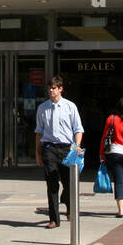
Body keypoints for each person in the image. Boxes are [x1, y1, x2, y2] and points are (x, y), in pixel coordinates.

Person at [34, 75, 84, 228]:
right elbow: (39, 133)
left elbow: (78, 129)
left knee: (68, 184)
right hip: (49, 148)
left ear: (61, 89)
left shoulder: (70, 107)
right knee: (52, 184)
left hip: (66, 148)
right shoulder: (42, 108)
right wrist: (38, 153)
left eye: (54, 88)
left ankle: (69, 207)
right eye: (49, 88)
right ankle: (54, 219)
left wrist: (76, 147)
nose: (51, 90)